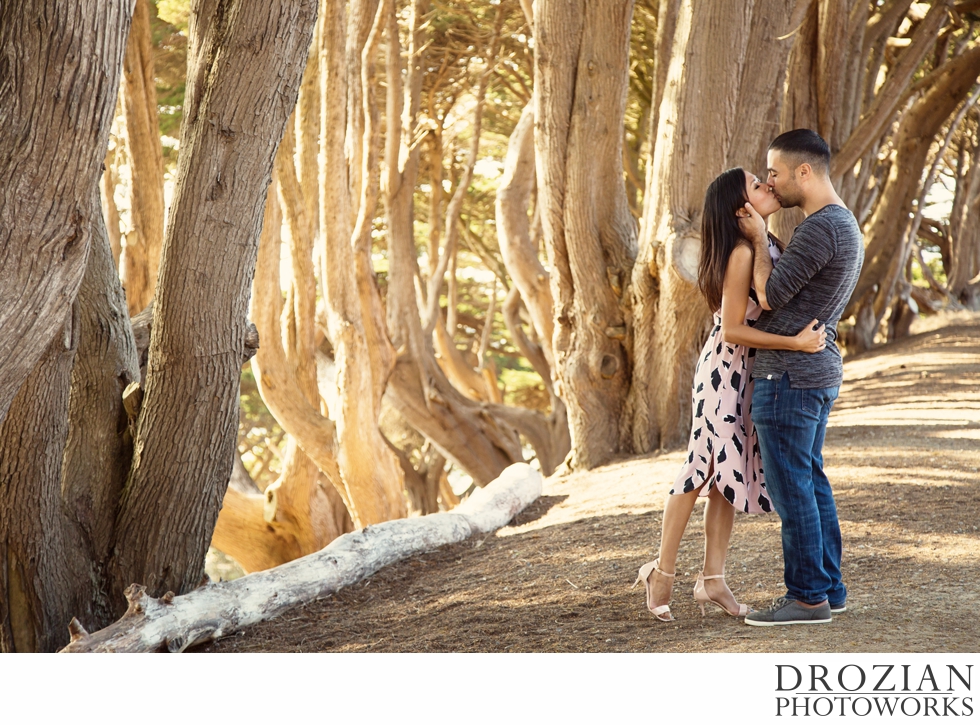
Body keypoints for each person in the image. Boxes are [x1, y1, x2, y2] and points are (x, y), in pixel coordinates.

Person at [634, 166, 827, 622]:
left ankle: (713, 579)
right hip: (726, 371)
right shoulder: (741, 252)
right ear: (741, 208)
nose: (768, 186)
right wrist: (796, 343)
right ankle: (661, 572)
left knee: (728, 473)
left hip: (752, 373)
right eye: (757, 185)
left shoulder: (765, 244)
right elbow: (736, 329)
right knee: (700, 469)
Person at [739, 129, 864, 627]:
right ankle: (829, 589)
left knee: (795, 490)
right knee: (810, 482)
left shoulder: (820, 227)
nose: (771, 181)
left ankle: (808, 598)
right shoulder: (842, 223)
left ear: (804, 172)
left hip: (789, 375)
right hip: (810, 372)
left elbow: (769, 296)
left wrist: (753, 239)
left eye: (775, 173)